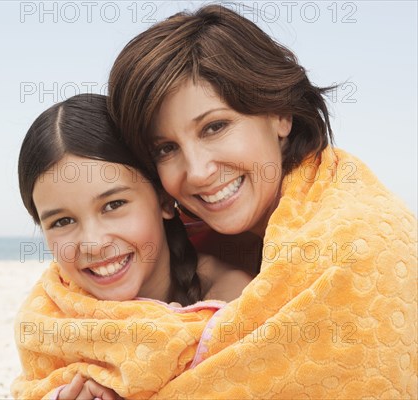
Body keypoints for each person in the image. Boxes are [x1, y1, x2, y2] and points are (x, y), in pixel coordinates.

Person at [107, 4, 417, 399]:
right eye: (166, 149)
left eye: (215, 127)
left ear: (279, 113)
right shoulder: (185, 243)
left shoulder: (354, 247)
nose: (198, 171)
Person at [12, 93, 252, 399]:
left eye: (113, 204)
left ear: (165, 199)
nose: (94, 244)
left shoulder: (231, 300)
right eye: (61, 222)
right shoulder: (49, 314)